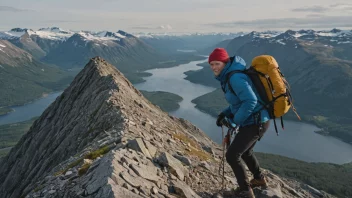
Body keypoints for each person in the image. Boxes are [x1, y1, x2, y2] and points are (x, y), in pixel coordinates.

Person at [208, 48, 271, 198]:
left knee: (232, 155)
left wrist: (234, 121)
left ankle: (245, 191)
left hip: (256, 122)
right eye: (211, 64)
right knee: (246, 152)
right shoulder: (230, 76)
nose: (214, 67)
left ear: (225, 62)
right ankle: (259, 179)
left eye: (217, 63)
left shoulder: (235, 78)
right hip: (257, 120)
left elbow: (250, 101)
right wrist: (225, 113)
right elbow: (238, 102)